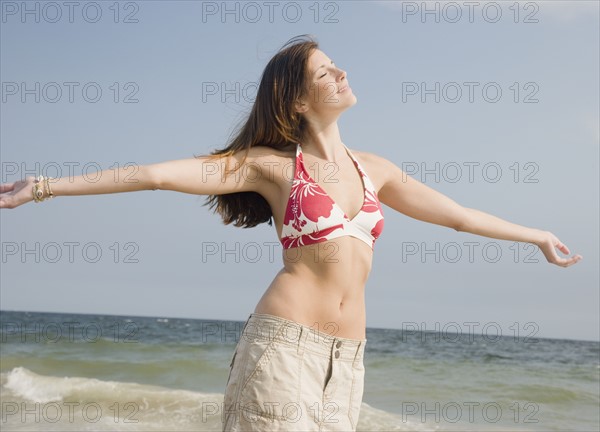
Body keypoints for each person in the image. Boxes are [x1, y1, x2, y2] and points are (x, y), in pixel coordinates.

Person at [0, 35, 583, 431]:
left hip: (347, 360)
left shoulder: (373, 168)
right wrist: (46, 186)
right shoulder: (270, 166)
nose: (342, 72)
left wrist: (536, 236)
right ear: (298, 99)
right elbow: (153, 175)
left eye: (337, 65)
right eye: (325, 72)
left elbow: (456, 215)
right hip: (283, 347)